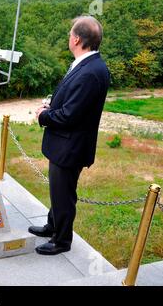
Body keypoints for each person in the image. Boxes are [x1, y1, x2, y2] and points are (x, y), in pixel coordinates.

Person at [29, 16, 110, 255]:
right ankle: (52, 226)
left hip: (71, 146)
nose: (68, 38)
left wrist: (43, 115)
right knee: (58, 190)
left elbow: (70, 116)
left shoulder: (90, 72)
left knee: (63, 195)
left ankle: (61, 240)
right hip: (67, 144)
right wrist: (51, 104)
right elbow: (72, 102)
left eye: (69, 35)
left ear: (76, 39)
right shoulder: (86, 64)